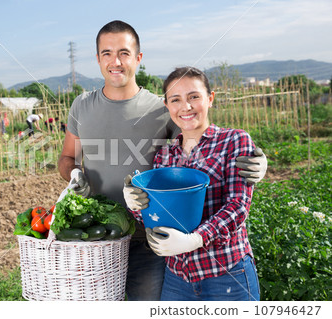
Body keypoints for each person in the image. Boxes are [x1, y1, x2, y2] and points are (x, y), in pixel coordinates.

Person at [58, 20, 267, 301]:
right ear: (97, 59)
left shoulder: (161, 108)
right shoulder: (82, 106)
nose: (115, 61)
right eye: (106, 53)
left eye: (124, 52)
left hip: (154, 239)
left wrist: (256, 162)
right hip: (99, 236)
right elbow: (68, 157)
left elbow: (201, 136)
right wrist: (74, 173)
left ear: (138, 58)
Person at [125, 66, 260, 301]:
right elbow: (154, 213)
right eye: (175, 99)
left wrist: (195, 240)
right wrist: (135, 205)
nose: (185, 107)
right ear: (167, 106)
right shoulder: (164, 156)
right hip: (177, 278)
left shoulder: (234, 141)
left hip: (226, 274)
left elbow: (238, 206)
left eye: (194, 97)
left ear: (210, 98)